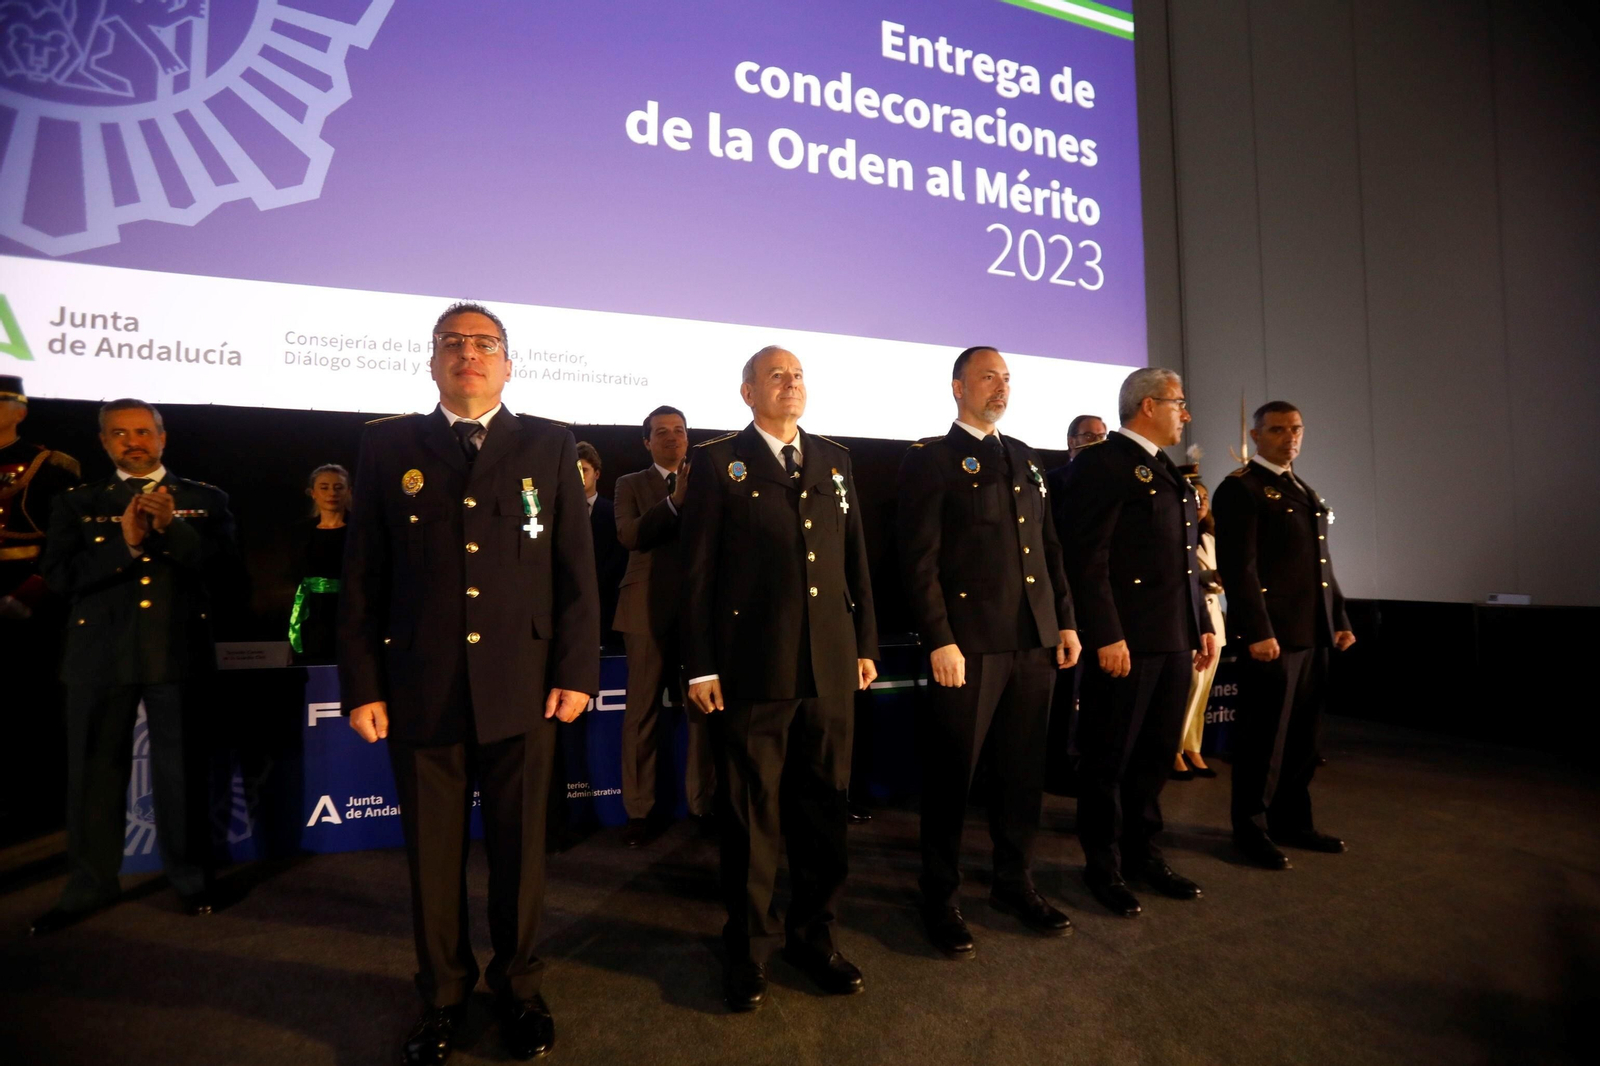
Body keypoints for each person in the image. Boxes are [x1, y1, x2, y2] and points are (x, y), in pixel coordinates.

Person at [338, 302, 599, 1065]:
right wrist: (363, 684)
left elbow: (574, 575)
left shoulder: (548, 443)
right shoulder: (389, 446)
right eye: (453, 343)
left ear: (509, 364)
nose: (469, 354)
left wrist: (577, 672)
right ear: (432, 362)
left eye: (485, 343)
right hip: (422, 690)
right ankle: (444, 997)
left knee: (521, 859)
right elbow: (363, 577)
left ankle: (519, 987)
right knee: (431, 860)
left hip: (525, 688)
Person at [681, 345, 878, 1012]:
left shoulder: (835, 460)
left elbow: (855, 562)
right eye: (776, 375)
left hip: (829, 664)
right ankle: (749, 948)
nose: (790, 384)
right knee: (751, 814)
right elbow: (698, 573)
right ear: (747, 393)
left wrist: (864, 644)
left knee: (825, 809)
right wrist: (701, 663)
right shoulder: (717, 463)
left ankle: (813, 935)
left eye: (797, 375)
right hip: (752, 666)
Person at [896, 347, 1081, 958]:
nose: (1000, 387)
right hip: (969, 646)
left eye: (1007, 378)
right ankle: (939, 894)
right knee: (953, 775)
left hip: (1033, 640)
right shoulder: (932, 459)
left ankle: (1012, 882)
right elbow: (918, 561)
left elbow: (1050, 550)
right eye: (987, 377)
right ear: (957, 387)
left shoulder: (1025, 459)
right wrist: (939, 637)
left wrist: (1066, 623)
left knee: (1023, 774)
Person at [31, 398, 236, 935]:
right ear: (104, 442)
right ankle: (89, 886)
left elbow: (226, 573)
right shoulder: (78, 501)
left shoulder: (203, 500)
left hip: (177, 652)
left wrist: (175, 530)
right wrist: (123, 542)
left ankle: (190, 880)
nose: (133, 441)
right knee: (92, 778)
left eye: (143, 431)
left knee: (182, 775)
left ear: (163, 437)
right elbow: (59, 575)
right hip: (99, 656)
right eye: (119, 433)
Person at [1060, 368, 1216, 919]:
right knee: (1108, 760)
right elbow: (1088, 559)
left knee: (1152, 760)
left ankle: (1143, 854)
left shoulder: (1166, 470)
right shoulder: (1103, 464)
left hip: (1172, 640)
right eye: (1179, 402)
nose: (1186, 412)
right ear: (1148, 406)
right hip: (1125, 644)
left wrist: (1200, 622)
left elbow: (1183, 562)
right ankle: (1101, 866)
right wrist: (1106, 633)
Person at [1211, 401, 1355, 870]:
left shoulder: (1301, 488)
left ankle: (1293, 821)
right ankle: (1250, 829)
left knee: (1303, 739)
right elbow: (1240, 568)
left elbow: (1320, 566)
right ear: (1255, 437)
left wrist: (1339, 618)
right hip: (1272, 636)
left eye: (1296, 429)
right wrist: (1257, 630)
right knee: (1263, 739)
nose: (1289, 437)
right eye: (1277, 430)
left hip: (1311, 633)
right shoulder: (1243, 489)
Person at [613, 405, 714, 846]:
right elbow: (631, 536)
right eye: (662, 432)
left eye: (679, 431)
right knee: (643, 715)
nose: (673, 438)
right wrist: (675, 502)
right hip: (644, 613)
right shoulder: (629, 484)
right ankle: (640, 813)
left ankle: (704, 806)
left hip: (699, 612)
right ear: (646, 441)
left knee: (703, 712)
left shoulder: (710, 481)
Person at [0, 375, 82, 843]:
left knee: (31, 704)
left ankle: (37, 804)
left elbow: (65, 546)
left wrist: (29, 595)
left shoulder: (51, 466)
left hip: (31, 597)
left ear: (20, 409)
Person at [1042, 412, 1106, 795]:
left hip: (1104, 604)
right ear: (1071, 441)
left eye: (1102, 435)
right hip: (1065, 601)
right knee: (1066, 691)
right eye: (1088, 436)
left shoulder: (1114, 482)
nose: (1097, 442)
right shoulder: (1053, 482)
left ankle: (1087, 760)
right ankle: (1059, 764)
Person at [1172, 476, 1224, 780]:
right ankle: (1173, 749)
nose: (1200, 502)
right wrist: (1212, 578)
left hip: (1214, 621)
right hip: (1190, 620)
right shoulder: (1178, 535)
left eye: (1204, 497)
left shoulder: (1210, 537)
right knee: (1188, 690)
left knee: (1203, 693)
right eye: (1194, 496)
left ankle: (1194, 746)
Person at [286, 463, 351, 662]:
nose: (332, 493)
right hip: (311, 613)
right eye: (324, 487)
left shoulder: (360, 530)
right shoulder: (300, 531)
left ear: (348, 492)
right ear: (313, 493)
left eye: (338, 487)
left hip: (350, 611)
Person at [577, 441, 625, 642]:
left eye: (584, 470)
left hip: (606, 604)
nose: (578, 476)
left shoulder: (614, 513)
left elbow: (619, 559)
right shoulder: (555, 513)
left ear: (596, 473)